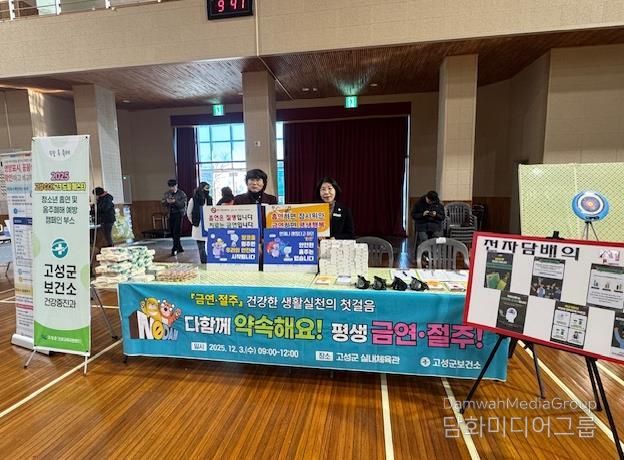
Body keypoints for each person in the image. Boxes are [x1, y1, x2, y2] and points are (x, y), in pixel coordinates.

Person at [186, 182, 212, 263]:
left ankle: (210, 260)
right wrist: (193, 222)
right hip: (198, 225)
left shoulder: (209, 199)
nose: (207, 190)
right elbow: (189, 213)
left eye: (208, 188)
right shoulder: (193, 199)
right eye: (206, 188)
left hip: (208, 225)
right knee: (201, 246)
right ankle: (204, 262)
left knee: (209, 245)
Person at [412, 190, 445, 254]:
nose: (430, 203)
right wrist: (422, 214)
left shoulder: (439, 205)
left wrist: (436, 215)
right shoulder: (419, 203)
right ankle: (425, 254)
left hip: (434, 225)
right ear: (426, 197)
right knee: (424, 238)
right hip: (422, 225)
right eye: (429, 201)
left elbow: (442, 217)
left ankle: (433, 254)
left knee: (437, 237)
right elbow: (413, 215)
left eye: (432, 202)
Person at [162, 179, 187, 256]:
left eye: (173, 186)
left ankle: (174, 248)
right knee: (172, 231)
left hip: (178, 214)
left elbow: (183, 205)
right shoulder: (167, 193)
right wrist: (166, 202)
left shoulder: (181, 193)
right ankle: (179, 247)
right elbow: (162, 203)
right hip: (170, 214)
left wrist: (175, 201)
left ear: (176, 185)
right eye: (170, 187)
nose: (171, 188)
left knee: (176, 231)